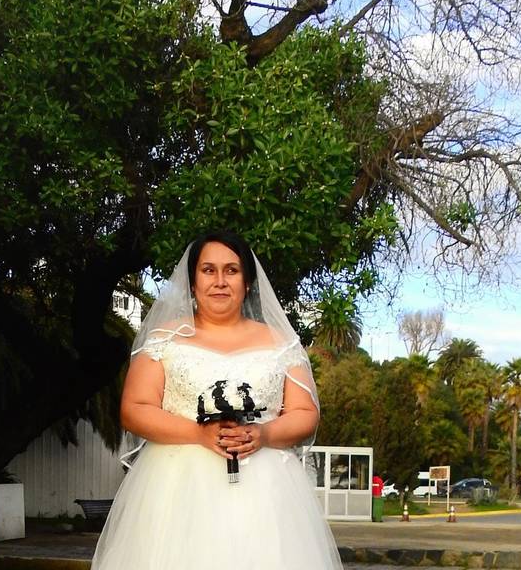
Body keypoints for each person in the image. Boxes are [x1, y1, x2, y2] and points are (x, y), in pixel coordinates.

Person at [91, 231, 343, 569]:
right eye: (209, 270)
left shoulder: (281, 343)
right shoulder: (165, 339)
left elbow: (304, 412)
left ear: (248, 282)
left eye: (232, 271)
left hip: (266, 493)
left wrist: (263, 434)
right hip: (176, 490)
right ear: (193, 282)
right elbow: (134, 409)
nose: (220, 281)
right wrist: (198, 434)